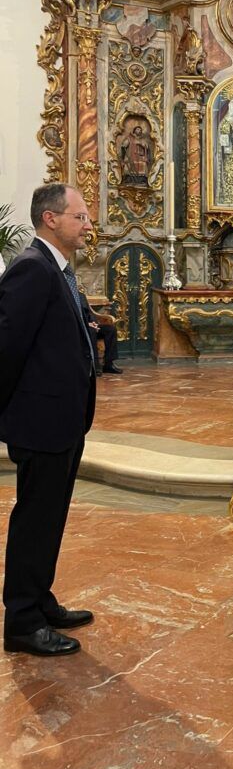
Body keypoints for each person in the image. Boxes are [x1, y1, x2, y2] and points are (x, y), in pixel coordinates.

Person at [0, 184, 97, 657]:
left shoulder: (56, 269)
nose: (88, 225)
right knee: (35, 520)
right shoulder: (33, 268)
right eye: (80, 216)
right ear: (50, 219)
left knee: (50, 517)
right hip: (41, 421)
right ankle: (22, 621)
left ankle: (39, 600)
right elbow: (7, 347)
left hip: (62, 419)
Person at [78, 291, 122, 375]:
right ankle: (95, 365)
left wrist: (94, 323)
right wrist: (86, 324)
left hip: (90, 325)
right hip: (78, 327)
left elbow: (90, 313)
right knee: (91, 330)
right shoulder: (67, 297)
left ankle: (108, 364)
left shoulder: (81, 296)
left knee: (110, 329)